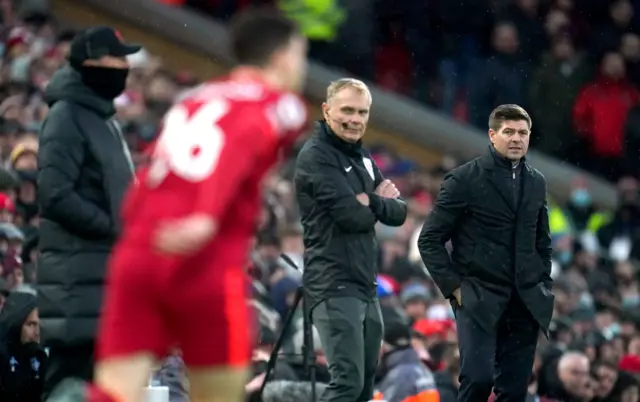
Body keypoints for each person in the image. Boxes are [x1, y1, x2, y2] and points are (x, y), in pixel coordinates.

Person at [47, 10, 309, 402]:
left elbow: (155, 176)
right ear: (282, 57)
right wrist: (206, 212)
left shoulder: (195, 98)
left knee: (114, 392)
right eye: (301, 54)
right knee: (219, 393)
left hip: (139, 253)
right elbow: (242, 137)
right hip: (201, 261)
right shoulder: (281, 105)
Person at [418, 104, 554, 402]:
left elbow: (542, 242)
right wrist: (455, 289)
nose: (517, 138)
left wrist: (543, 283)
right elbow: (429, 240)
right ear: (492, 135)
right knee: (478, 381)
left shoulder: (537, 182)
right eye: (509, 132)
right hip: (478, 296)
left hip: (525, 300)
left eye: (523, 133)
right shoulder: (464, 179)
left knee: (515, 392)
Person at [36, 26, 137, 399]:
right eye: (119, 58)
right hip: (76, 286)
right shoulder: (67, 116)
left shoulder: (101, 119)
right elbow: (55, 194)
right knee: (70, 383)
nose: (125, 66)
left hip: (102, 281)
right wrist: (114, 228)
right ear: (92, 62)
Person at [295, 78, 408, 402]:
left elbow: (398, 213)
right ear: (327, 111)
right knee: (347, 384)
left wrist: (368, 199)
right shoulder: (316, 156)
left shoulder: (362, 157)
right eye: (347, 110)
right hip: (332, 282)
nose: (355, 119)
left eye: (362, 112)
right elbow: (351, 216)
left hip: (364, 285)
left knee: (363, 387)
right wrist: (377, 201)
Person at [0, 292, 47, 402]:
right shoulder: (2, 357)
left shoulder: (39, 357)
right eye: (31, 325)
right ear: (15, 322)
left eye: (38, 324)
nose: (37, 332)